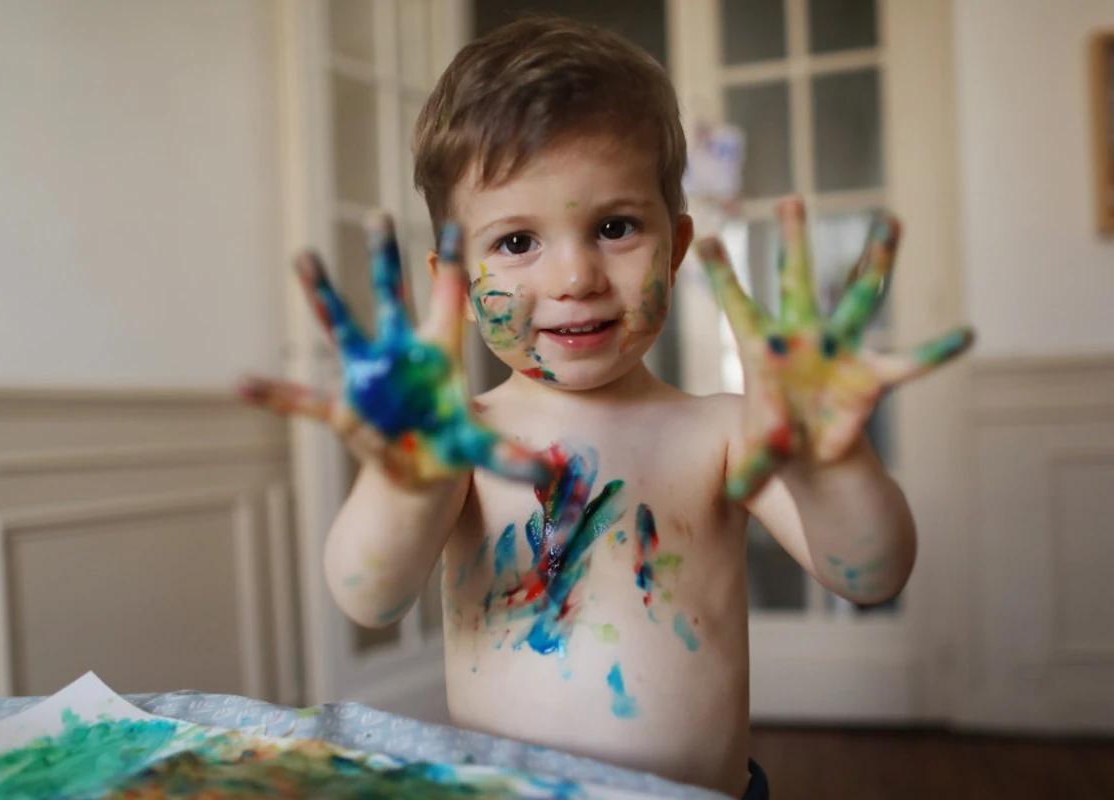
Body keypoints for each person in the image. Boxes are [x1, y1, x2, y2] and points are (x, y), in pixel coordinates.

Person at [241, 16, 972, 799]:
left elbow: (871, 573)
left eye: (614, 228)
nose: (575, 277)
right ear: (449, 280)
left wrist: (831, 465)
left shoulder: (723, 434)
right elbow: (369, 594)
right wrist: (403, 480)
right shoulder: (466, 443)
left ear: (677, 245)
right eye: (517, 242)